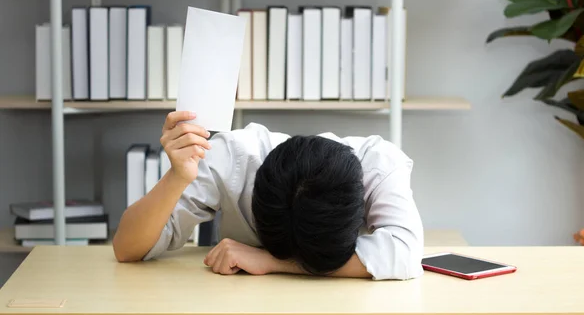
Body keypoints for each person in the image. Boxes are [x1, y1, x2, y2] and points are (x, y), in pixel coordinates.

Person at [113, 111, 424, 280]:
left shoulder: (379, 164)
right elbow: (128, 249)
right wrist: (177, 177)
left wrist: (273, 262)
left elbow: (406, 254)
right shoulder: (233, 156)